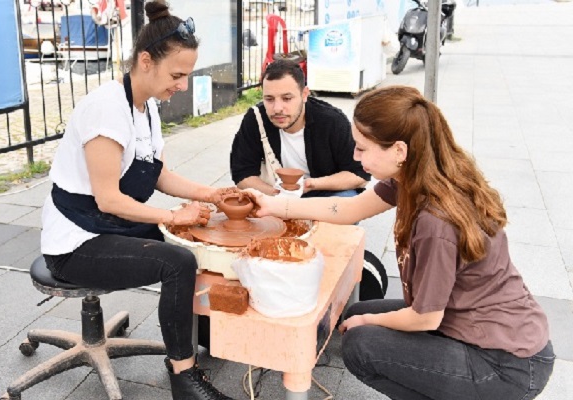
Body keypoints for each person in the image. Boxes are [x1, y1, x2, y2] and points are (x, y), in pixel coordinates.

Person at [245, 85, 555, 399]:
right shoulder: (416, 176)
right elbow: (351, 208)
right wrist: (275, 206)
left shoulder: (435, 221)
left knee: (360, 343)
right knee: (356, 316)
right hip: (473, 323)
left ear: (399, 150)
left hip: (506, 362)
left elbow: (425, 317)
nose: (355, 156)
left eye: (363, 148)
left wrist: (370, 321)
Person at [40, 2, 234, 399]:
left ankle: (208, 337)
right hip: (77, 241)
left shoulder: (144, 108)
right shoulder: (107, 108)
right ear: (146, 61)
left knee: (200, 236)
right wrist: (173, 216)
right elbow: (109, 199)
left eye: (187, 76)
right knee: (178, 260)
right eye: (176, 75)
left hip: (109, 224)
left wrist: (211, 195)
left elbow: (157, 173)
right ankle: (184, 376)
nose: (182, 85)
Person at [229, 59, 371, 198]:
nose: (277, 108)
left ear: (304, 95)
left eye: (287, 98)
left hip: (324, 193)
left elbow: (360, 174)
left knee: (347, 201)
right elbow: (242, 174)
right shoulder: (256, 118)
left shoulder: (332, 121)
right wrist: (279, 196)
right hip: (276, 193)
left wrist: (309, 185)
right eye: (269, 99)